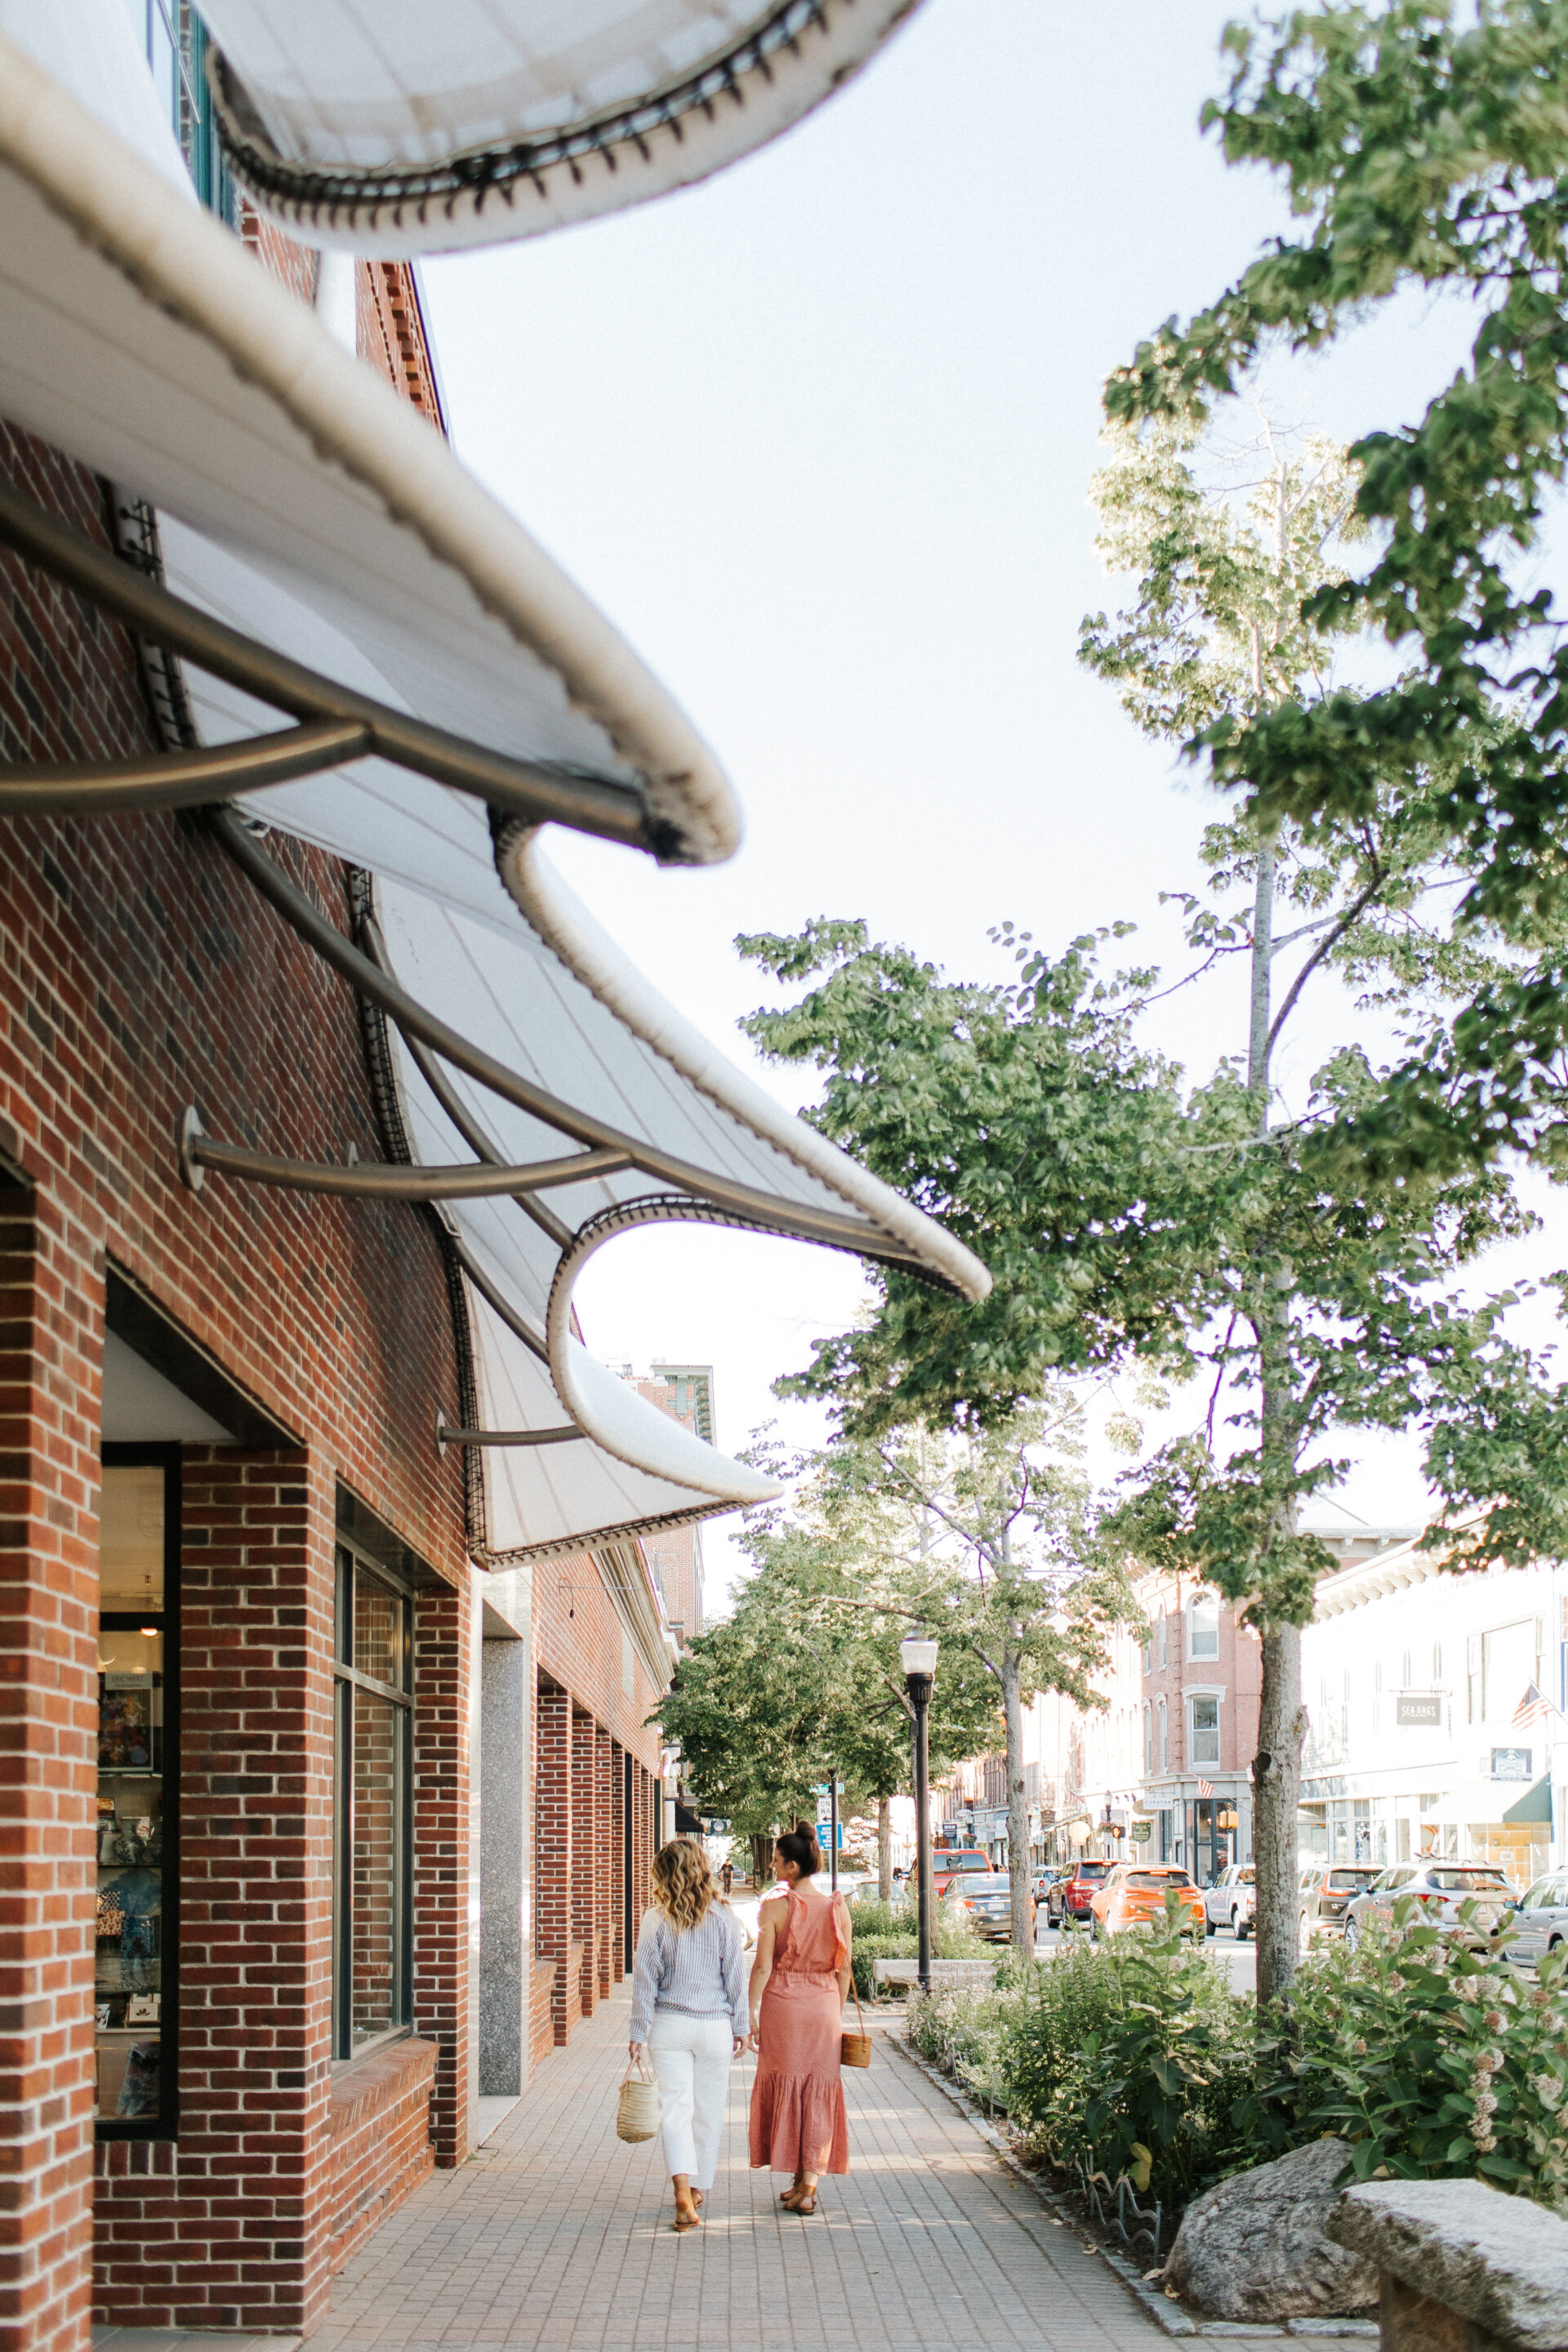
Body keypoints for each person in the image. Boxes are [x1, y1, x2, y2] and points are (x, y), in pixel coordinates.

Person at [629, 1838, 747, 2234]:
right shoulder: (724, 1917)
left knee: (675, 2110)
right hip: (714, 2027)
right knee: (708, 2113)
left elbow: (645, 1982)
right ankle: (697, 2189)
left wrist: (637, 2032)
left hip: (670, 2026)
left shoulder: (654, 1919)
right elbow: (735, 1978)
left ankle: (681, 2191)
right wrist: (742, 2028)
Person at [747, 1824, 852, 2216]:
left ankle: (801, 2182)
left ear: (792, 1867)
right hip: (823, 2007)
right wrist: (834, 2012)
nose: (772, 1865)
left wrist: (749, 2011)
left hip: (783, 2008)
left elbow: (762, 1967)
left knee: (788, 2087)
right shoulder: (837, 1908)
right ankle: (805, 2184)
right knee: (818, 2090)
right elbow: (844, 1969)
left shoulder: (774, 1908)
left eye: (777, 1860)